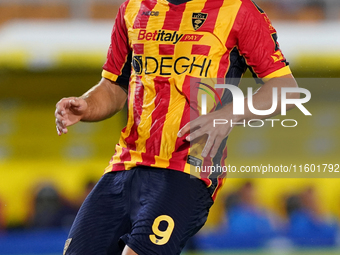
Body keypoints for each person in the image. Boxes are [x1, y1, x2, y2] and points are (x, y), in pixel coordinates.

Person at [55, 0, 299, 254]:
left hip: (187, 169)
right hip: (125, 165)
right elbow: (113, 86)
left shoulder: (238, 9)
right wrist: (86, 104)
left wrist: (229, 115)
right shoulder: (132, 7)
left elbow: (286, 90)